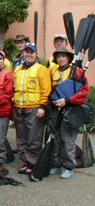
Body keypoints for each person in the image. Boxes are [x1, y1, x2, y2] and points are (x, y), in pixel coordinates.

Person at [49, 47, 89, 179]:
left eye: (63, 56)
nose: (61, 59)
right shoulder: (52, 72)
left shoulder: (76, 71)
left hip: (70, 111)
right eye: (59, 56)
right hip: (55, 111)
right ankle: (57, 164)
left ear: (68, 58)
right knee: (56, 139)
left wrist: (67, 100)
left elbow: (83, 91)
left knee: (68, 139)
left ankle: (68, 166)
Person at [12, 43, 51, 175]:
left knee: (34, 137)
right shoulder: (17, 69)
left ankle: (33, 162)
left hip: (34, 108)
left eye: (31, 52)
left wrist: (43, 107)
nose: (28, 55)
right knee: (21, 137)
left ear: (36, 54)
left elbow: (46, 89)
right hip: (18, 107)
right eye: (26, 52)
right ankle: (24, 162)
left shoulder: (41, 69)